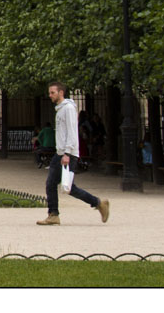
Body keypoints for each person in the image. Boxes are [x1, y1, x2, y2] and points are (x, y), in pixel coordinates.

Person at [37, 82, 109, 226]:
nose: (50, 95)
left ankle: (98, 203)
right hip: (61, 153)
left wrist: (67, 154)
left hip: (66, 154)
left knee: (65, 187)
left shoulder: (68, 109)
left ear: (61, 93)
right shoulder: (61, 109)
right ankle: (54, 214)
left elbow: (72, 131)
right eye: (50, 92)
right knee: (58, 185)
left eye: (52, 92)